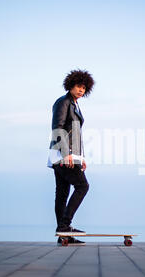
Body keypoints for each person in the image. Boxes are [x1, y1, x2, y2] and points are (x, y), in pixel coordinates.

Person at [47, 69, 95, 245]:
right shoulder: (63, 102)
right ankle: (65, 227)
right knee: (82, 186)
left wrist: (80, 158)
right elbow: (58, 127)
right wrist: (67, 154)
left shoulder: (74, 104)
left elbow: (75, 133)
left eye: (84, 87)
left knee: (62, 193)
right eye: (78, 86)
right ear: (70, 85)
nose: (81, 90)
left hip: (65, 155)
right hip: (62, 154)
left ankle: (63, 235)